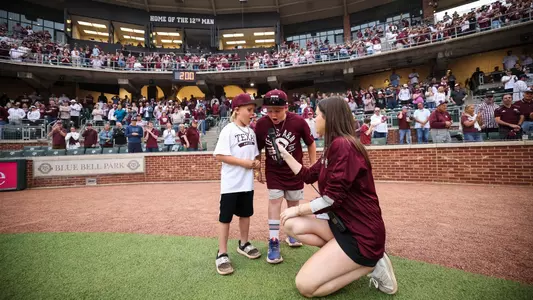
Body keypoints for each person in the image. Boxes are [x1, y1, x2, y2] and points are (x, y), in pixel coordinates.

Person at [276, 96, 397, 297]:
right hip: (344, 225)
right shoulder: (335, 146)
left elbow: (331, 199)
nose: (314, 120)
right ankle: (345, 260)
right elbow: (307, 176)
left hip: (361, 234)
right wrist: (285, 154)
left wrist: (297, 208)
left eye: (316, 116)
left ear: (329, 118)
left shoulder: (344, 146)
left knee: (305, 286)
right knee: (291, 225)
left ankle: (371, 265)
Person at [254, 89, 317, 264]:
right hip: (274, 171)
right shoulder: (261, 125)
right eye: (269, 111)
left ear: (286, 107)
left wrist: (313, 166)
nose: (273, 115)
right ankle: (274, 240)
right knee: (274, 202)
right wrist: (258, 168)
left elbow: (311, 144)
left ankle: (291, 234)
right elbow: (257, 149)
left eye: (277, 110)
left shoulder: (298, 122)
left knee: (293, 204)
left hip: (295, 171)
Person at [213, 93, 263, 275]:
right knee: (225, 217)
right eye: (249, 110)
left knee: (245, 214)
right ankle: (222, 252)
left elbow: (255, 155)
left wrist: (258, 168)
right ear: (237, 110)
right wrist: (244, 163)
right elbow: (219, 155)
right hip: (231, 184)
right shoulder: (228, 130)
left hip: (247, 183)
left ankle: (243, 243)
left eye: (253, 110)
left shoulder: (251, 132)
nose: (252, 113)